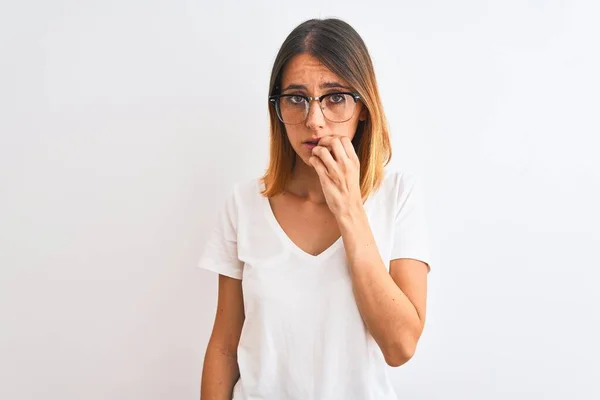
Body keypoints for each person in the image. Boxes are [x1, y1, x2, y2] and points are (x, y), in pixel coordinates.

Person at [198, 17, 432, 400]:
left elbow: (400, 346)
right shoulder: (243, 205)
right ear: (278, 108)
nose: (313, 120)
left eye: (335, 97)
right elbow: (225, 346)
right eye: (296, 98)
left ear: (364, 108)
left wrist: (350, 212)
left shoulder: (399, 196)